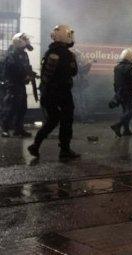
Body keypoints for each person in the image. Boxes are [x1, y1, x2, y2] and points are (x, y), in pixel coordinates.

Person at [27, 25, 80, 160]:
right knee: (66, 120)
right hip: (62, 93)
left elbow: (47, 74)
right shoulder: (67, 55)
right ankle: (65, 150)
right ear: (65, 36)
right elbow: (73, 72)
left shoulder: (49, 52)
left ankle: (35, 145)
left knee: (52, 120)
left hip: (48, 93)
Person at [1, 33, 35, 138]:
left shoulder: (23, 54)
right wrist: (24, 75)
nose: (27, 41)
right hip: (13, 85)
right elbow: (13, 70)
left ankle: (18, 129)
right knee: (10, 108)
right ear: (19, 41)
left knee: (22, 107)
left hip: (20, 85)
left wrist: (30, 74)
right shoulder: (12, 54)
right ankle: (4, 129)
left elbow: (26, 66)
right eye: (25, 39)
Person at [110, 48, 132, 137]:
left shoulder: (117, 67)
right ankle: (118, 125)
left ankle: (126, 130)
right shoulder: (128, 67)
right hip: (128, 92)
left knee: (125, 110)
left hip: (119, 93)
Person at [72, 49, 93, 122]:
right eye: (78, 56)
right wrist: (89, 64)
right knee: (81, 102)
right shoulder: (74, 63)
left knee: (78, 102)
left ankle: (80, 118)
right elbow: (82, 71)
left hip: (75, 84)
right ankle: (84, 118)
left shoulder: (74, 62)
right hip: (76, 85)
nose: (80, 57)